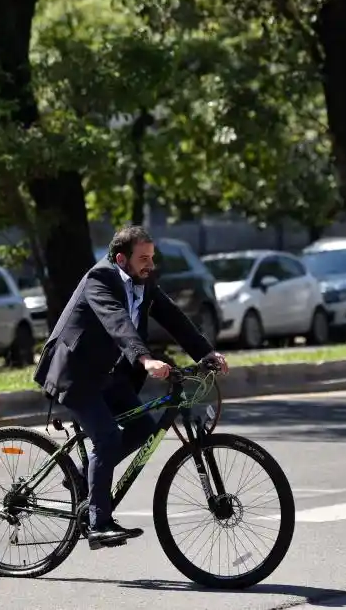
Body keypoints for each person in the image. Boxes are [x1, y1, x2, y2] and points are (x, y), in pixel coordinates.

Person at [33, 225, 228, 550]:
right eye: (143, 258)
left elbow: (173, 317)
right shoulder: (100, 279)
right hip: (76, 375)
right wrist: (145, 360)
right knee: (107, 436)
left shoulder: (144, 283)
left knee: (141, 429)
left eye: (151, 258)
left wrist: (206, 352)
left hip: (107, 375)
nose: (150, 265)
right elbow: (116, 322)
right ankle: (99, 524)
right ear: (121, 258)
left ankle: (83, 476)